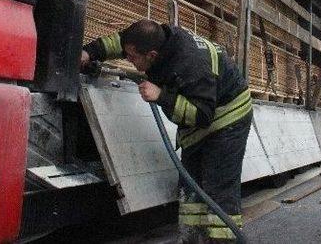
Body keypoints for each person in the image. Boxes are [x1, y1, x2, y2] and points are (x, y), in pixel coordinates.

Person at [81, 19, 253, 242]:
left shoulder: (189, 64)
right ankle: (193, 240)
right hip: (200, 124)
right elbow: (121, 42)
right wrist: (88, 53)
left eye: (132, 58)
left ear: (152, 55)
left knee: (218, 190)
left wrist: (161, 96)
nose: (128, 60)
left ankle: (225, 240)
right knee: (191, 190)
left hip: (228, 118)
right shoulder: (155, 39)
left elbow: (202, 115)